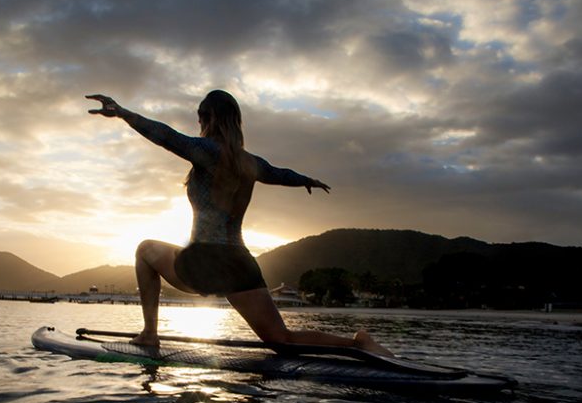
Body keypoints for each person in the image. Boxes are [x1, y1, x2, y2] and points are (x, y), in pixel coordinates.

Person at [86, 91, 392, 356]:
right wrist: (306, 181)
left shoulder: (207, 151)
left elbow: (166, 137)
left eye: (201, 117)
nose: (199, 124)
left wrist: (123, 113)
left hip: (205, 262)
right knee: (280, 339)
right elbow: (279, 174)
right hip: (240, 264)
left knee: (143, 250)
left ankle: (150, 333)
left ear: (211, 119)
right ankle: (357, 344)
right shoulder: (251, 163)